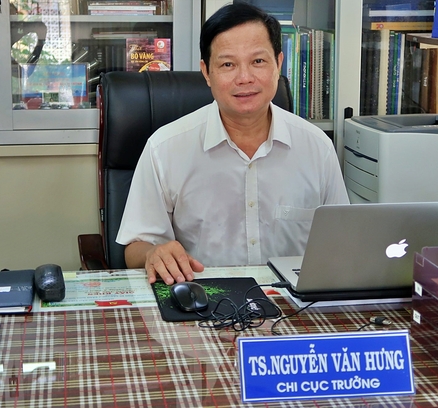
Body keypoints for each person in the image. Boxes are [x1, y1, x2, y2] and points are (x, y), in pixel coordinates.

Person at [117, 2, 349, 285]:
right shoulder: (164, 148)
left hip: (293, 308)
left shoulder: (317, 148)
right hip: (203, 304)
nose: (244, 78)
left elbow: (341, 245)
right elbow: (135, 248)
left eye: (258, 61)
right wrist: (154, 253)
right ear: (206, 72)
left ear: (279, 64)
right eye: (228, 64)